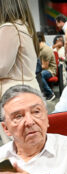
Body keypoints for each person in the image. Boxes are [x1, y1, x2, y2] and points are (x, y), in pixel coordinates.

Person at [0, 0, 41, 144]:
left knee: (18, 148)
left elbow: (2, 67)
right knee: (30, 145)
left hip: (14, 93)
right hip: (27, 89)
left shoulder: (10, 27)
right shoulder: (24, 27)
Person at [37, 32, 56, 101]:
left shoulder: (45, 50)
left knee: (39, 74)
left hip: (50, 70)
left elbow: (45, 66)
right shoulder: (39, 49)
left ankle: (50, 94)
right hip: (43, 69)